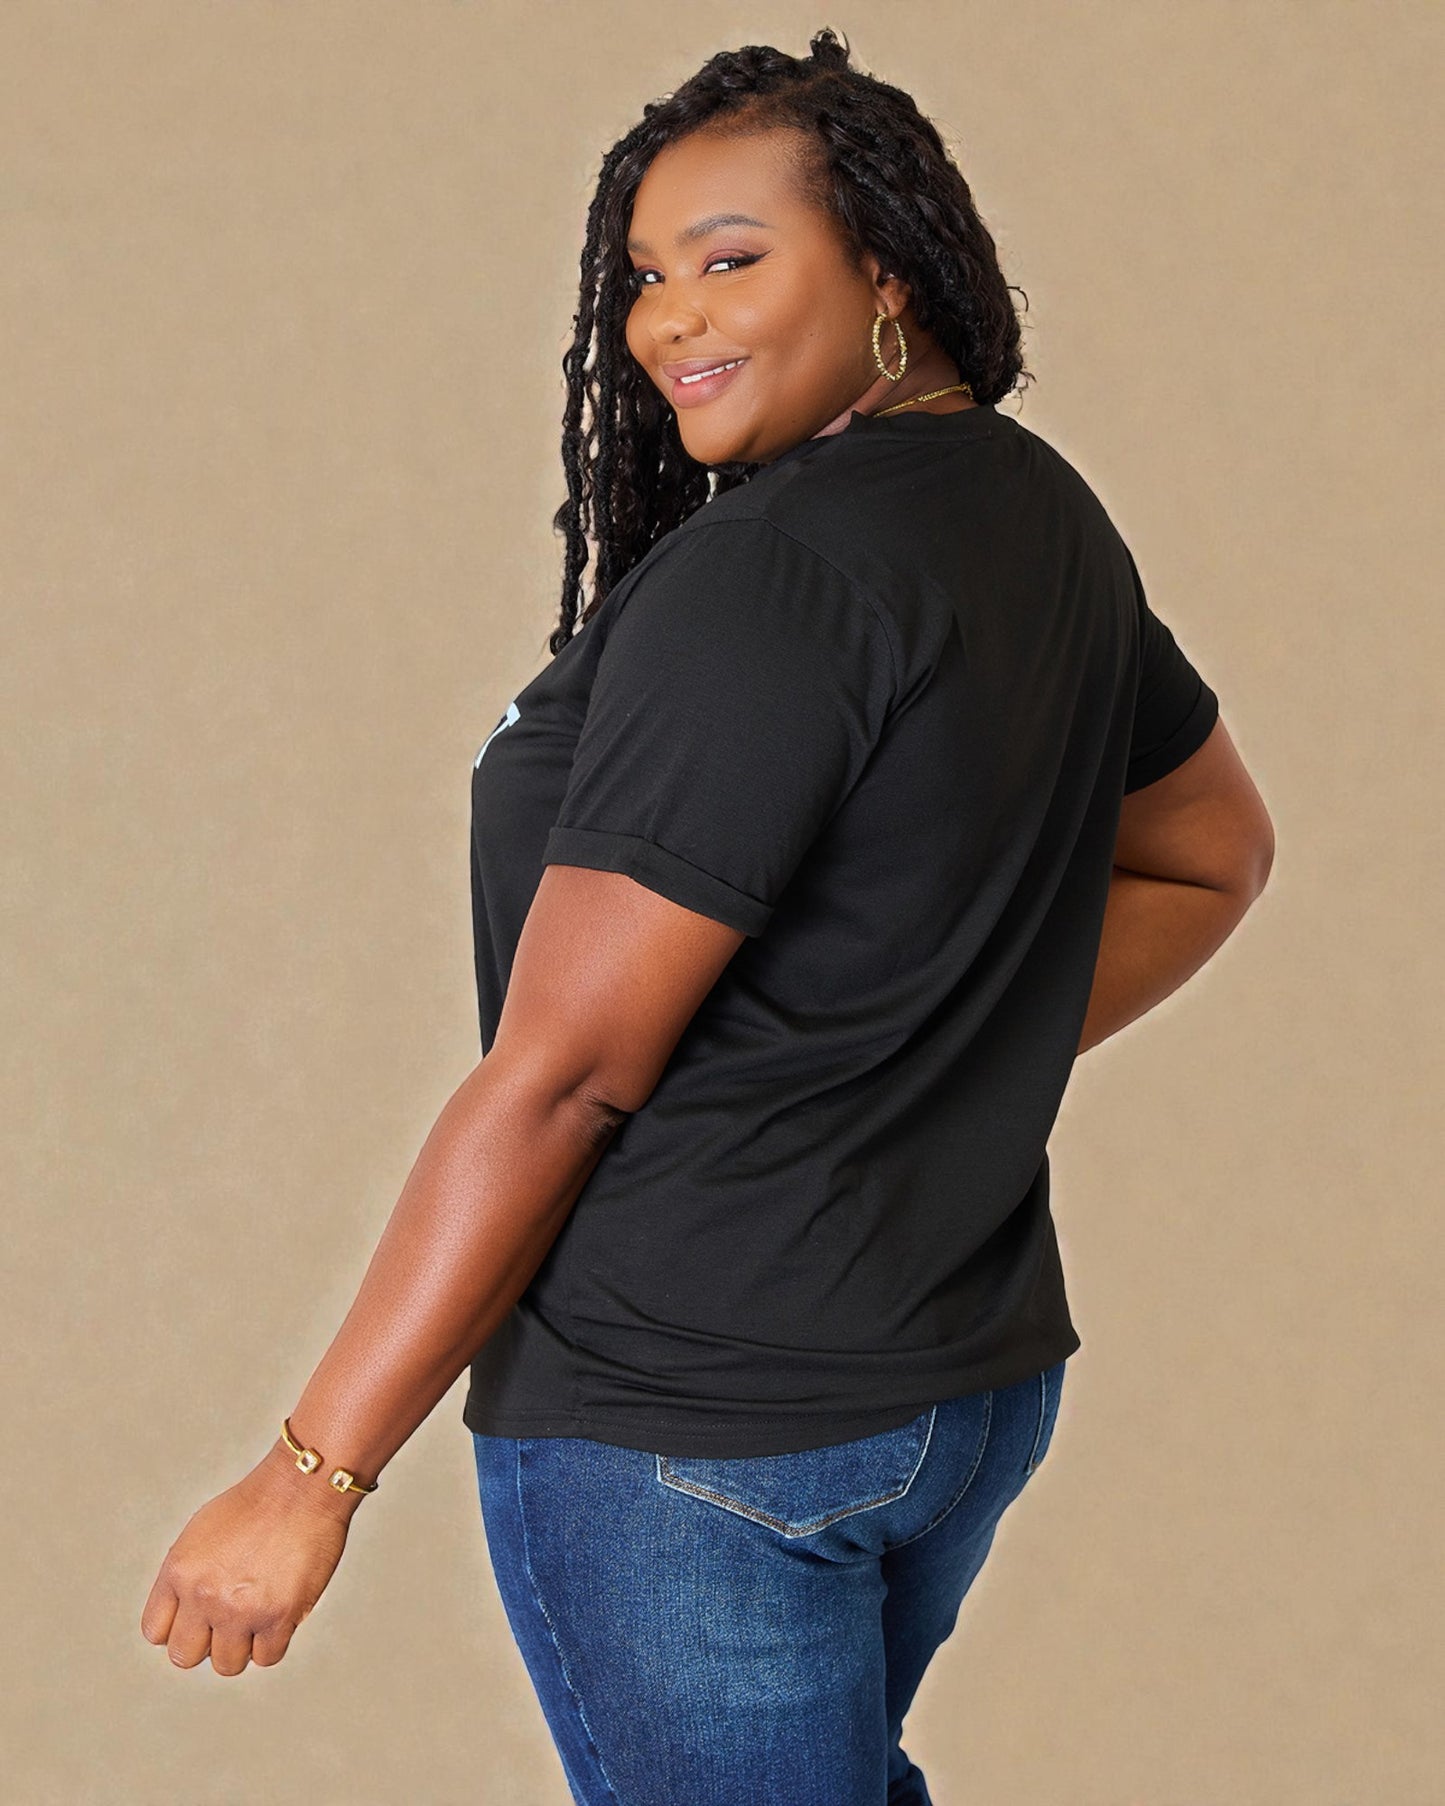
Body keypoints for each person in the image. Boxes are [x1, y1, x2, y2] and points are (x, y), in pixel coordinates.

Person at [140, 27, 1274, 1806]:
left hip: (692, 1420)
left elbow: (565, 1075)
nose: (668, 320)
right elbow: (1213, 853)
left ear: (885, 265)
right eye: (643, 280)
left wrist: (308, 1474)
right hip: (950, 1393)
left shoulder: (776, 575)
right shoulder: (1034, 514)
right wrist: (901, 1058)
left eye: (731, 260)